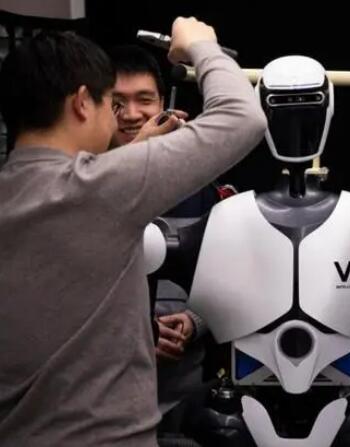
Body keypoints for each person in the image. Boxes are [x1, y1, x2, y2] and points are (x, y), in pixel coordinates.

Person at [0, 17, 267, 446]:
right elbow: (242, 118)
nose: (120, 117)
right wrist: (202, 45)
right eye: (111, 103)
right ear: (82, 103)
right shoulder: (104, 188)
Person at [107, 44, 217, 429]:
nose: (131, 114)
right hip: (100, 397)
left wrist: (194, 321)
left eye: (144, 100)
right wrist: (135, 336)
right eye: (116, 103)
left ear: (164, 103)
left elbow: (229, 272)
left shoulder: (199, 181)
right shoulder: (78, 183)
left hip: (183, 395)